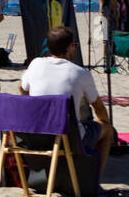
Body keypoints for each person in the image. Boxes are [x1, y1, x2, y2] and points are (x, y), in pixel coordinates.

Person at [19, 26, 113, 174]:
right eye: (74, 45)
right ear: (69, 47)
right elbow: (98, 107)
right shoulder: (80, 73)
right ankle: (93, 179)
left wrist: (31, 103)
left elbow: (22, 87)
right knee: (107, 130)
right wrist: (105, 122)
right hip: (67, 137)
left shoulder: (36, 64)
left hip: (35, 134)